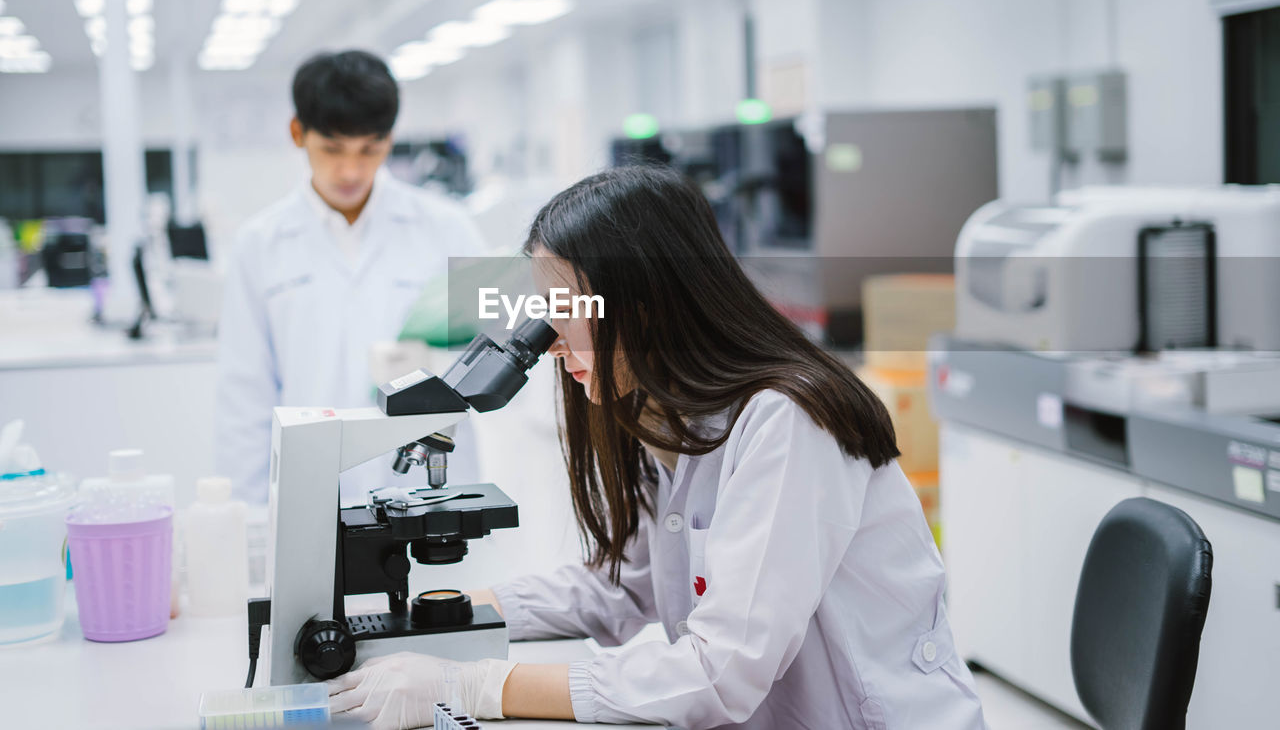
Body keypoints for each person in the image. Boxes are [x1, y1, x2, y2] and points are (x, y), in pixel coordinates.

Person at [326, 165, 988, 729]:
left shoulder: (787, 420)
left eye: (563, 308)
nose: (550, 342)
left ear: (641, 306)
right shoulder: (670, 409)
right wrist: (443, 615)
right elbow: (625, 584)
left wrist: (475, 686)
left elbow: (717, 669)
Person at [215, 50, 486, 505]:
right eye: (333, 149)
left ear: (390, 138)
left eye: (370, 149)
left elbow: (490, 355)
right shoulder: (260, 244)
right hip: (313, 487)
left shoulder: (447, 229)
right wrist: (249, 513)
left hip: (430, 482)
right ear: (298, 133)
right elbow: (245, 393)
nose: (351, 171)